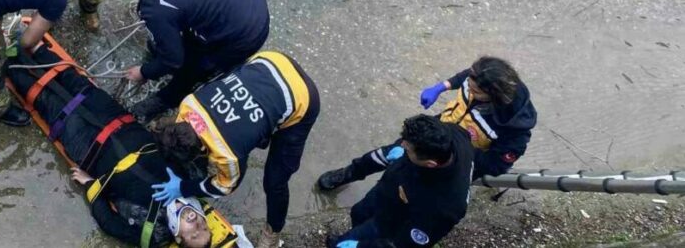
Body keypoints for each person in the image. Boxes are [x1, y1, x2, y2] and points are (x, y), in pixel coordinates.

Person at [5, 40, 249, 247]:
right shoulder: (195, 182)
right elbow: (188, 147)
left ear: (179, 237)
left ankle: (4, 60)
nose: (196, 225)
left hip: (90, 149)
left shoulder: (154, 234)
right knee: (77, 84)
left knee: (46, 101)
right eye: (203, 228)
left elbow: (109, 223)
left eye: (193, 235)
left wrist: (91, 186)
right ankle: (34, 44)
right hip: (121, 123)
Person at [149, 51, 320, 248]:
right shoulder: (189, 103)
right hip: (271, 61)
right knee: (250, 132)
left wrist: (184, 188)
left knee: (275, 181)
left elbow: (225, 186)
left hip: (302, 96)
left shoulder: (228, 154)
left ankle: (272, 233)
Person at [103, 0, 270, 119]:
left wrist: (143, 72)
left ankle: (166, 99)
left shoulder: (155, 8)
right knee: (181, 29)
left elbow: (173, 59)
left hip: (243, 35)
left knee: (194, 66)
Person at [317, 56, 536, 190]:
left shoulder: (513, 130)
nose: (469, 89)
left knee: (407, 186)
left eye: (476, 90)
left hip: (450, 158)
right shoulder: (478, 81)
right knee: (386, 154)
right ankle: (348, 173)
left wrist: (452, 153)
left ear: (493, 95)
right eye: (470, 84)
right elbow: (466, 78)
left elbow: (495, 165)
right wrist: (442, 86)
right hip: (438, 129)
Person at [325, 115, 473, 248]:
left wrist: (362, 246)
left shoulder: (444, 207)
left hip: (392, 221)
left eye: (408, 149)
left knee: (359, 236)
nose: (402, 146)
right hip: (388, 189)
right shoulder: (452, 134)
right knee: (358, 212)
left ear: (430, 164)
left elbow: (405, 244)